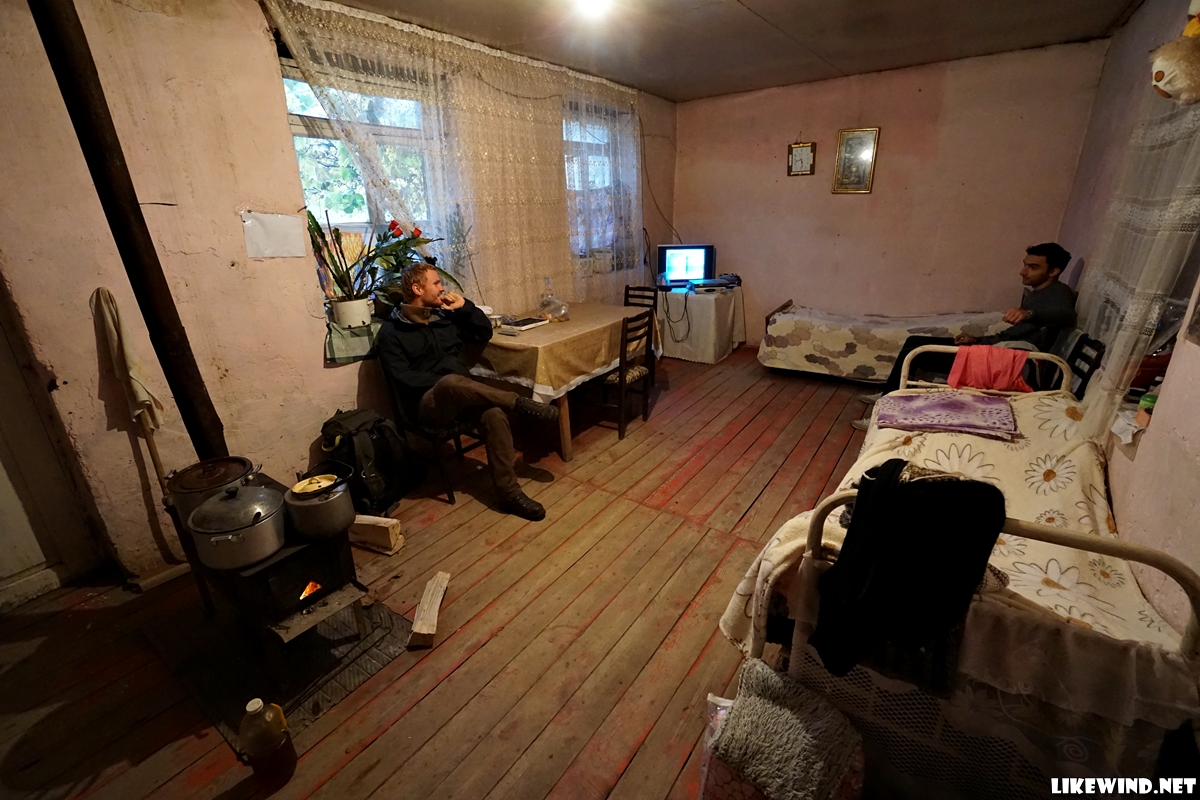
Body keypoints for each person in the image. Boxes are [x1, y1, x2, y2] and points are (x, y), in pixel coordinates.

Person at [376, 262, 559, 520]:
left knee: (494, 414)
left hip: (462, 395)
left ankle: (509, 494)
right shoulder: (392, 332)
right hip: (428, 405)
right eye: (436, 283)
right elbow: (404, 378)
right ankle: (518, 403)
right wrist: (444, 381)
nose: (442, 288)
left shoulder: (443, 317)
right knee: (450, 382)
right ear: (417, 289)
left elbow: (483, 333)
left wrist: (465, 307)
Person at [853, 243, 1077, 430]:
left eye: (1033, 267)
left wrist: (1030, 314)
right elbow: (1009, 334)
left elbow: (1067, 316)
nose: (1023, 271)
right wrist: (978, 340)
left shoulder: (1059, 293)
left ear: (1053, 271)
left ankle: (883, 414)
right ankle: (890, 394)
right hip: (997, 351)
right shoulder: (1038, 293)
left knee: (917, 353)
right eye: (1025, 265)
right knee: (914, 342)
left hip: (1009, 363)